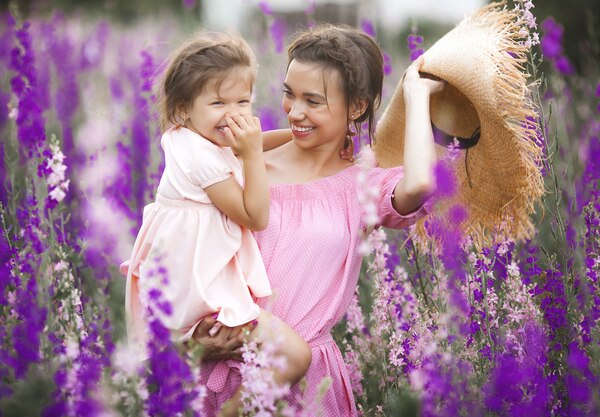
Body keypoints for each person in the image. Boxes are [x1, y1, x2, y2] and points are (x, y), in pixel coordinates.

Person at [194, 24, 444, 416]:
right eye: (289, 94)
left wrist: (415, 96)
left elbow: (420, 182)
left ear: (357, 107)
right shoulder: (244, 164)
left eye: (313, 101)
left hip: (306, 379)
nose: (295, 112)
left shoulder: (360, 185)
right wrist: (189, 341)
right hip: (223, 366)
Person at [122, 31, 311, 417]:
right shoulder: (199, 157)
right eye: (218, 102)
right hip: (197, 296)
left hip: (189, 285)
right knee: (292, 356)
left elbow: (252, 143)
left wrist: (298, 139)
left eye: (243, 101)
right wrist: (252, 156)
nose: (233, 113)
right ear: (182, 109)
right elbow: (255, 216)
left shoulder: (192, 137)